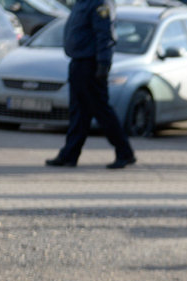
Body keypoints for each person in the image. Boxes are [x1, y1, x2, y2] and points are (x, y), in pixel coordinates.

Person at [45, 0, 135, 169]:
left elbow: (104, 34)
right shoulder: (83, 2)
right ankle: (70, 154)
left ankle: (124, 152)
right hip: (78, 62)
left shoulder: (100, 3)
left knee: (101, 110)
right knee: (78, 112)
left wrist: (103, 63)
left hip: (91, 64)